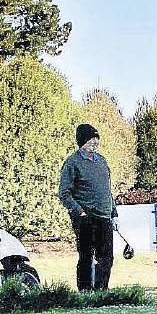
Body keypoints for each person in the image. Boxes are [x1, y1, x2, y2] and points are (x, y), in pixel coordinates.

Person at [58, 123, 116, 291]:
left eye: (97, 138)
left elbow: (107, 190)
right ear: (82, 141)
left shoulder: (102, 161)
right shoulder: (72, 162)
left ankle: (101, 291)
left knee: (106, 258)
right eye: (91, 139)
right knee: (86, 257)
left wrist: (114, 212)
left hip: (105, 217)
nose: (95, 142)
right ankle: (85, 292)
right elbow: (64, 193)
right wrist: (79, 211)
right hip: (85, 218)